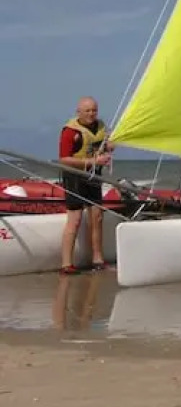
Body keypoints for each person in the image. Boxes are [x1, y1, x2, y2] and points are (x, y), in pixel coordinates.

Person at [58, 97, 112, 274]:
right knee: (75, 219)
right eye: (87, 111)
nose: (91, 114)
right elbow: (64, 160)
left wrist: (110, 147)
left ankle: (97, 259)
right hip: (75, 177)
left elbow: (105, 147)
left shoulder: (101, 127)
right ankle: (67, 264)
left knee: (97, 217)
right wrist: (93, 160)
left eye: (94, 110)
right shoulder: (69, 132)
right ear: (79, 112)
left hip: (93, 176)